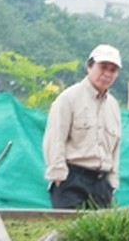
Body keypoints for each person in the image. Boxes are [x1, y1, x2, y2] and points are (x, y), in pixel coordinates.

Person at [42, 44, 123, 209]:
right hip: (72, 180)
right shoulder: (68, 99)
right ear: (89, 66)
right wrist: (58, 174)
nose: (107, 74)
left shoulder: (113, 106)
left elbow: (114, 148)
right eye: (103, 67)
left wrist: (112, 181)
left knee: (99, 234)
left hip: (102, 183)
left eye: (113, 69)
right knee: (68, 231)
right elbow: (55, 138)